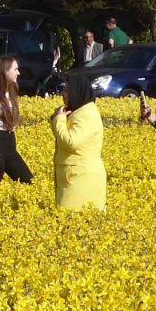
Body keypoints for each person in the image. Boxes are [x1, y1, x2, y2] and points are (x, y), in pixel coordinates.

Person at [50, 74, 106, 211]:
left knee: (73, 221)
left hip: (82, 178)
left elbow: (71, 142)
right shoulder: (79, 112)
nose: (63, 94)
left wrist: (59, 120)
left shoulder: (87, 114)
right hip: (74, 176)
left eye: (66, 90)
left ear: (77, 91)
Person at [0, 55, 33, 185]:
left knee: (29, 182)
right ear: (5, 71)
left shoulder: (11, 91)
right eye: (15, 69)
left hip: (9, 144)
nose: (18, 73)